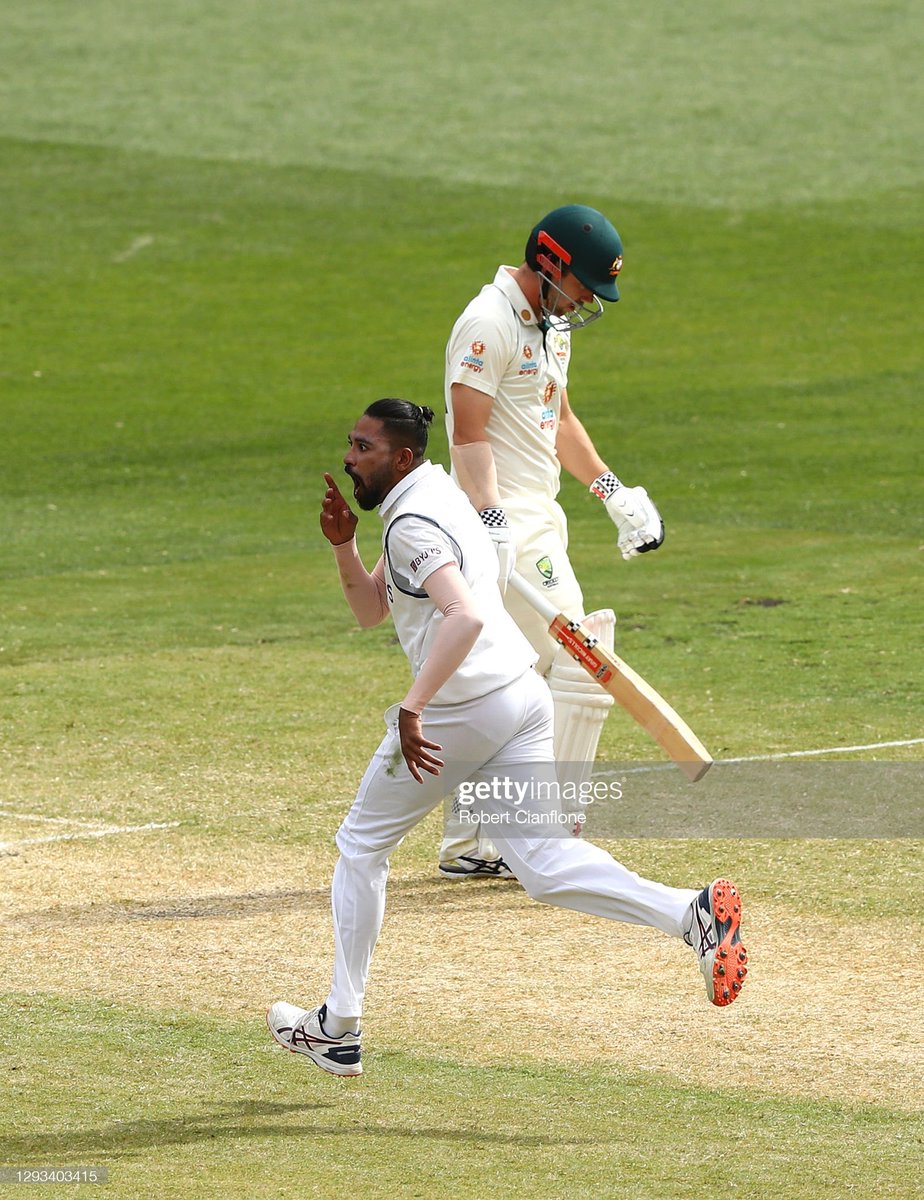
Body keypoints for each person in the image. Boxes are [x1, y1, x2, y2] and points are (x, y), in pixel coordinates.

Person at [266, 399, 748, 1078]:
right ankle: (690, 914)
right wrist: (344, 545)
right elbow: (373, 611)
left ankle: (339, 1026)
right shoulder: (435, 493)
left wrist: (414, 706)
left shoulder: (411, 525)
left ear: (400, 457)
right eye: (350, 444)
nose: (348, 458)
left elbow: (459, 618)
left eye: (363, 448)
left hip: (463, 712)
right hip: (521, 696)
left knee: (360, 844)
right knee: (545, 866)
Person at [439, 203, 666, 880]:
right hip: (503, 522)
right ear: (548, 262)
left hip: (541, 516)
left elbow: (557, 417)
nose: (590, 299)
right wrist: (490, 519)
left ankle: (474, 842)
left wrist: (614, 494)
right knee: (574, 653)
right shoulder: (487, 323)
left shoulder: (551, 322)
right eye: (585, 284)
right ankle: (541, 834)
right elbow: (466, 433)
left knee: (510, 674)